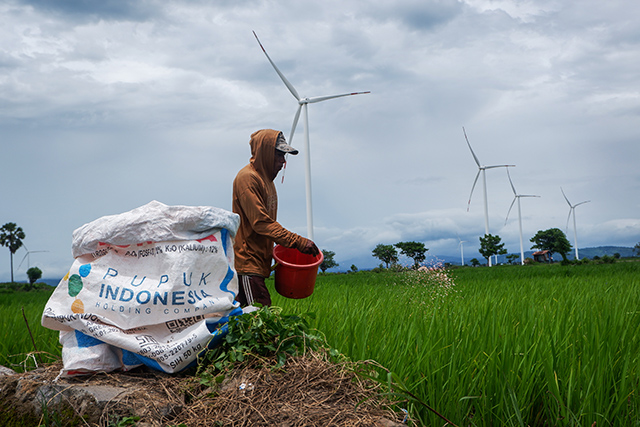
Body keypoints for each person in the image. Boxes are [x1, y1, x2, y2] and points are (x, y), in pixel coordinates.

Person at [232, 129, 320, 307]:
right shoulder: (248, 179)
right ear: (265, 153)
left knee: (248, 323)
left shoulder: (267, 181)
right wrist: (298, 242)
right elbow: (261, 223)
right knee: (259, 318)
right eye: (279, 155)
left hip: (258, 264)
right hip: (247, 263)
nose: (283, 161)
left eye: (284, 156)